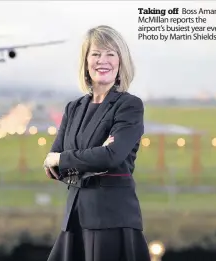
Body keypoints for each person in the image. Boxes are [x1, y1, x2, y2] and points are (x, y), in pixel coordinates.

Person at [43, 25, 151, 261]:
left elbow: (111, 156)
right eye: (96, 54)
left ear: (121, 62)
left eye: (111, 54)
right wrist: (91, 158)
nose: (103, 61)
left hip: (112, 219)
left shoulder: (129, 106)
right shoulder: (73, 108)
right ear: (86, 61)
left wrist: (65, 159)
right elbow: (52, 167)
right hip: (74, 220)